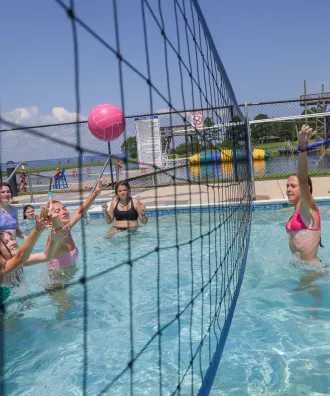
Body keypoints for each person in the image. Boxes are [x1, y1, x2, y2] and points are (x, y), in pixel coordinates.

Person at [41, 177, 104, 275]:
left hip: (68, 277)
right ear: (49, 220)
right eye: (57, 211)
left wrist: (96, 192)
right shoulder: (55, 236)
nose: (64, 212)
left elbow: (80, 211)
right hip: (58, 283)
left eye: (64, 208)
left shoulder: (66, 228)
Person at [0, 215, 67, 303]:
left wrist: (54, 239)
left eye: (12, 239)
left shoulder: (20, 262)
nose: (12, 242)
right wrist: (37, 230)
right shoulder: (2, 269)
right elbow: (21, 257)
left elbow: (46, 256)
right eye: (6, 242)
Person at [286, 125, 322, 263]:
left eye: (293, 186)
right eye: (287, 186)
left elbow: (302, 178)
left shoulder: (308, 207)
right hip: (301, 269)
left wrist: (302, 146)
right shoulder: (297, 210)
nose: (288, 189)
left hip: (312, 271)